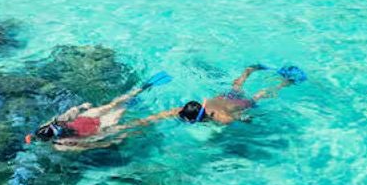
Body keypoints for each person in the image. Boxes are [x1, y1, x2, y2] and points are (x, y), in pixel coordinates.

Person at [119, 64, 306, 130]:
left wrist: (249, 119)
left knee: (260, 96)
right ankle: (249, 71)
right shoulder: (189, 109)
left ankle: (285, 83)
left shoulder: (223, 119)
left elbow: (241, 117)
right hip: (225, 97)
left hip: (239, 104)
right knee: (237, 85)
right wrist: (130, 125)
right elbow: (155, 117)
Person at [26, 71, 172, 151]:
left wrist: (114, 140)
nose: (58, 127)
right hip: (92, 126)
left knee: (115, 109)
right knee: (116, 109)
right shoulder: (60, 141)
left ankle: (144, 93)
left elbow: (88, 144)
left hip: (89, 123)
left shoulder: (60, 142)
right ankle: (140, 92)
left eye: (55, 127)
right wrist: (112, 140)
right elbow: (88, 144)